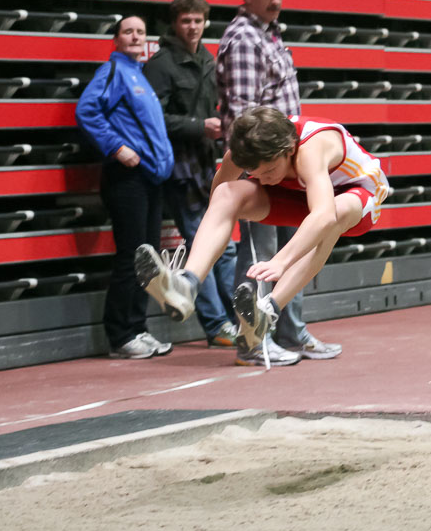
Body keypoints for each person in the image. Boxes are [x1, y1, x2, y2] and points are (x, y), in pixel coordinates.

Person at [136, 107, 389, 366]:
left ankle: (269, 310)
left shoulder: (312, 150)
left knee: (334, 214)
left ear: (289, 150)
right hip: (302, 195)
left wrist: (280, 261)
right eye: (255, 173)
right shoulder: (244, 150)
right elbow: (217, 200)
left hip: (357, 196)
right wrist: (218, 232)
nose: (263, 180)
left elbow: (322, 215)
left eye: (268, 172)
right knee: (227, 194)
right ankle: (187, 285)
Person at [215, 0, 341, 364]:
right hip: (261, 168)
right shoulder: (245, 40)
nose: (275, 1)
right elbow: (242, 117)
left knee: (296, 246)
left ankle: (290, 332)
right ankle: (252, 341)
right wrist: (254, 171)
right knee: (258, 256)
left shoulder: (270, 34)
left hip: (284, 165)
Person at [143, 0, 239, 349]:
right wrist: (200, 126)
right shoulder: (161, 65)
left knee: (222, 248)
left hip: (205, 165)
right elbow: (154, 120)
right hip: (179, 169)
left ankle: (234, 319)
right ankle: (217, 325)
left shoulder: (208, 60)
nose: (193, 27)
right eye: (186, 21)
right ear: (174, 23)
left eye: (198, 20)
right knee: (207, 243)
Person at [76, 16, 175, 359]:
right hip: (126, 180)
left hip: (150, 179)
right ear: (116, 39)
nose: (135, 37)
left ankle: (138, 328)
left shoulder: (139, 76)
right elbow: (87, 111)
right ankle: (120, 336)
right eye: (128, 31)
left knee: (147, 261)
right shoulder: (113, 73)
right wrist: (117, 148)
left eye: (141, 32)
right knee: (131, 257)